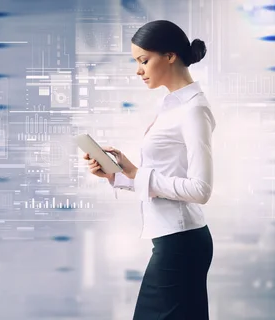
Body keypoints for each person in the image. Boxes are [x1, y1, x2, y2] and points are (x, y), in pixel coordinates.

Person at [83, 20, 216, 319]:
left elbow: (201, 189)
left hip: (180, 244)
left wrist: (134, 173)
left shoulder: (194, 109)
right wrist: (116, 175)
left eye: (144, 60)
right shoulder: (171, 105)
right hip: (173, 241)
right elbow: (164, 176)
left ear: (170, 56)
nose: (138, 70)